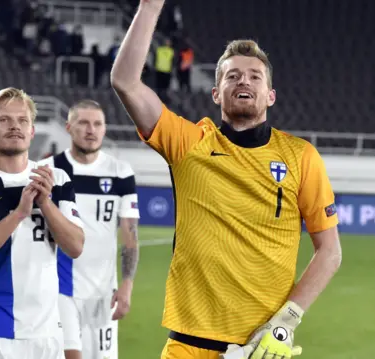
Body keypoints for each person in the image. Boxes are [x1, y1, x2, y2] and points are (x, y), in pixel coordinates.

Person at [111, 1, 343, 359]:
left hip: (260, 347)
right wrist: (150, 6)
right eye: (232, 76)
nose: (243, 81)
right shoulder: (189, 144)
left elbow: (330, 251)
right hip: (187, 345)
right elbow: (125, 81)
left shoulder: (300, 156)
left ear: (270, 95)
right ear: (217, 93)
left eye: (254, 76)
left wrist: (286, 323)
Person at [0, 87, 85, 359]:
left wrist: (45, 203)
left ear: (32, 131)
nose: (15, 126)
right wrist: (19, 214)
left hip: (46, 332)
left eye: (23, 120)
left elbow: (76, 246)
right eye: (4, 120)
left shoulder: (56, 179)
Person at [39, 100, 140, 359]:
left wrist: (126, 286)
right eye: (83, 123)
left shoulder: (120, 172)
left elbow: (130, 235)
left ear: (105, 129)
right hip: (61, 290)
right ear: (68, 127)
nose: (90, 130)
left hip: (104, 293)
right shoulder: (50, 170)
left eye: (97, 124)